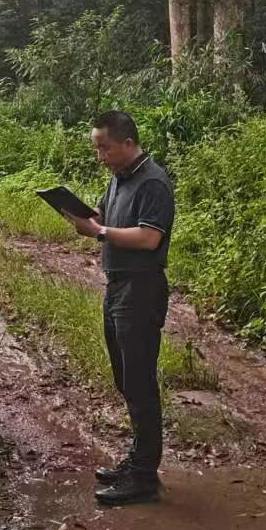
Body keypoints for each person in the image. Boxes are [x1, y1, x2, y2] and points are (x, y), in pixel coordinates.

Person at [60, 110, 175, 506]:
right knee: (125, 379)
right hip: (117, 288)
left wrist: (100, 231)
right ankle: (138, 461)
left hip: (141, 290)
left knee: (140, 382)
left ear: (128, 143)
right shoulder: (119, 179)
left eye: (104, 147)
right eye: (96, 148)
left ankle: (144, 477)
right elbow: (105, 219)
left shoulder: (154, 182)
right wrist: (86, 218)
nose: (100, 155)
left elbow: (147, 238)